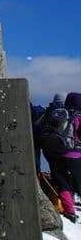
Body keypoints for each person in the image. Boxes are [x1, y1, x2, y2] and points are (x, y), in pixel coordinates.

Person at [44, 92, 81, 222]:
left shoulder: (58, 114)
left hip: (57, 153)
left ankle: (69, 211)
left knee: (62, 183)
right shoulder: (78, 117)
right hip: (75, 154)